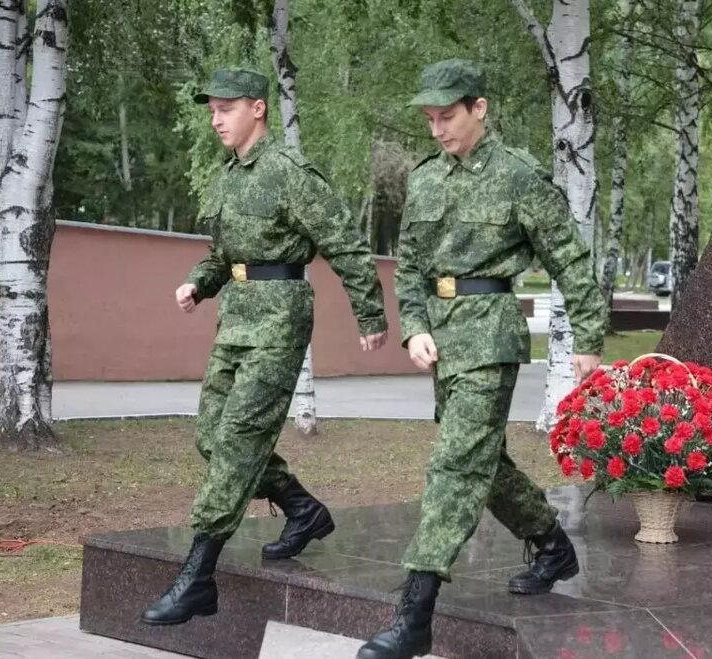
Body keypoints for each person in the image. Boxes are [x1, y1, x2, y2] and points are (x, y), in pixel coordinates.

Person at [357, 59, 605, 659]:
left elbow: (570, 260)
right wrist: (412, 326)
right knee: (481, 461)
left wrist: (590, 341)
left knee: (453, 466)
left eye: (448, 116)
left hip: (489, 337)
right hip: (440, 339)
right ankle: (550, 542)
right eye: (430, 119)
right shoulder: (425, 178)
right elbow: (410, 263)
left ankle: (415, 612)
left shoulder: (519, 178)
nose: (438, 129)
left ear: (480, 108)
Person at [140, 68, 389, 626]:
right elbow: (220, 254)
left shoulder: (289, 173)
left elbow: (345, 243)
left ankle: (199, 575)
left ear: (257, 108)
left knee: (235, 443)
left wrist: (370, 313)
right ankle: (303, 508)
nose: (215, 119)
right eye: (210, 110)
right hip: (235, 322)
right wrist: (198, 284)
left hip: (279, 321)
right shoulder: (226, 177)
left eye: (225, 108)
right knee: (211, 436)